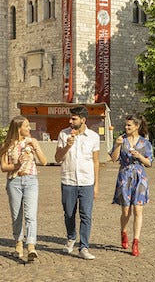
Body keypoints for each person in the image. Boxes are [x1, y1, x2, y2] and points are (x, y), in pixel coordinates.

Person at [55, 105, 100, 260]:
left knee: (86, 215)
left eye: (74, 118)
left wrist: (96, 185)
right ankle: (71, 237)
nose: (70, 121)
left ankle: (84, 247)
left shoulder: (93, 137)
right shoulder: (63, 134)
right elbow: (57, 158)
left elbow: (95, 162)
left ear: (83, 120)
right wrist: (68, 145)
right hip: (68, 181)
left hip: (87, 181)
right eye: (70, 118)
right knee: (69, 213)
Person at [1, 116, 48, 262]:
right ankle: (19, 243)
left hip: (31, 181)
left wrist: (36, 147)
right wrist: (16, 166)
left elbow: (44, 161)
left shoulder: (32, 142)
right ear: (18, 128)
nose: (29, 128)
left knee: (30, 215)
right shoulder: (7, 144)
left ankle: (31, 246)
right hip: (14, 181)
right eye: (26, 126)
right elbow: (3, 167)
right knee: (17, 215)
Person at [110, 114, 153, 257]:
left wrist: (140, 157)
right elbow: (114, 158)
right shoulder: (121, 140)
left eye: (129, 125)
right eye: (126, 125)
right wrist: (117, 145)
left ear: (137, 126)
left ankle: (136, 242)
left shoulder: (145, 143)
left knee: (138, 210)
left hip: (140, 177)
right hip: (124, 176)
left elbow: (149, 163)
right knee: (126, 211)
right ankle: (123, 232)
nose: (126, 127)